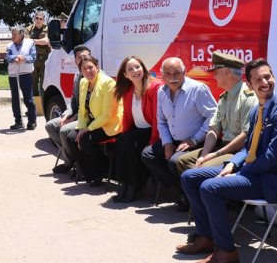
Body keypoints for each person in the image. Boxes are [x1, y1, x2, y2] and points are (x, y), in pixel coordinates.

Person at [177, 59, 277, 263]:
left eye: (267, 76)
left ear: (274, 77)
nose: (264, 82)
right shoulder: (257, 111)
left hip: (272, 179)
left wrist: (240, 171)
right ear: (250, 85)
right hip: (252, 171)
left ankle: (226, 251)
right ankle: (206, 237)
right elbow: (249, 148)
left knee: (210, 187)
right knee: (189, 177)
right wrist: (232, 164)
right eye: (257, 79)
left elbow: (273, 158)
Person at [141, 57, 216, 207]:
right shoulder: (162, 92)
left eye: (177, 72)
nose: (172, 77)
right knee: (148, 154)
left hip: (196, 142)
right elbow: (161, 121)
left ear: (184, 72)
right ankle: (180, 190)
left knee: (175, 161)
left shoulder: (198, 89)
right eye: (168, 73)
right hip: (174, 141)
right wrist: (167, 142)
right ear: (162, 75)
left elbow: (214, 117)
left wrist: (194, 139)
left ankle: (189, 197)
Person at [175, 52, 256, 175]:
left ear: (227, 72)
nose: (214, 77)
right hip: (223, 147)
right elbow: (213, 129)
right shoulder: (224, 97)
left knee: (201, 169)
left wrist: (217, 154)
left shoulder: (248, 97)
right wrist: (203, 155)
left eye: (216, 73)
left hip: (238, 151)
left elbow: (245, 135)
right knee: (180, 161)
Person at [65, 55, 122, 186]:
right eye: (84, 69)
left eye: (91, 67)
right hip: (93, 122)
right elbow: (82, 110)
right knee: (71, 139)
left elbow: (107, 115)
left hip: (109, 123)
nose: (88, 71)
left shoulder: (108, 83)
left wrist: (86, 130)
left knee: (84, 140)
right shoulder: (84, 82)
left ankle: (104, 169)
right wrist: (81, 127)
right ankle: (91, 173)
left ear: (97, 67)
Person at [112, 55, 162, 203]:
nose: (135, 70)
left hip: (154, 132)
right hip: (139, 130)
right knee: (121, 141)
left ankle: (135, 187)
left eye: (138, 67)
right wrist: (124, 133)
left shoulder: (154, 87)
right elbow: (127, 115)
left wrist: (152, 141)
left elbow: (157, 119)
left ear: (143, 68)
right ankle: (124, 185)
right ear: (125, 75)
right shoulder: (128, 91)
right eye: (130, 69)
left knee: (131, 144)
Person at [46, 45, 91, 174]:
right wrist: (66, 115)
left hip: (87, 117)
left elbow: (89, 107)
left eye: (85, 56)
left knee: (64, 131)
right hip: (76, 115)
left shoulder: (94, 75)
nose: (83, 59)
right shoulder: (77, 76)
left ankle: (69, 162)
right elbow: (73, 101)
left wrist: (73, 118)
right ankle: (73, 158)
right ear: (75, 60)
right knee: (51, 126)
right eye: (79, 57)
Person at [6, 25, 37, 130]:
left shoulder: (30, 43)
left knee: (28, 99)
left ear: (21, 34)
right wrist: (15, 58)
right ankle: (18, 121)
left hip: (25, 74)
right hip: (13, 75)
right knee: (15, 99)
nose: (12, 36)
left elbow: (33, 57)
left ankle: (32, 121)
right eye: (12, 34)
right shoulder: (10, 45)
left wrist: (23, 58)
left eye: (14, 34)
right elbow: (7, 57)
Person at [26, 10, 49, 96]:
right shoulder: (29, 29)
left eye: (41, 18)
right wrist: (40, 41)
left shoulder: (47, 29)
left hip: (45, 59)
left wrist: (32, 41)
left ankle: (43, 107)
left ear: (43, 20)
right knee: (33, 83)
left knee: (44, 84)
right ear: (34, 19)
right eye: (37, 18)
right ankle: (34, 107)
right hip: (33, 59)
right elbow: (25, 42)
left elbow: (47, 41)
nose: (38, 20)